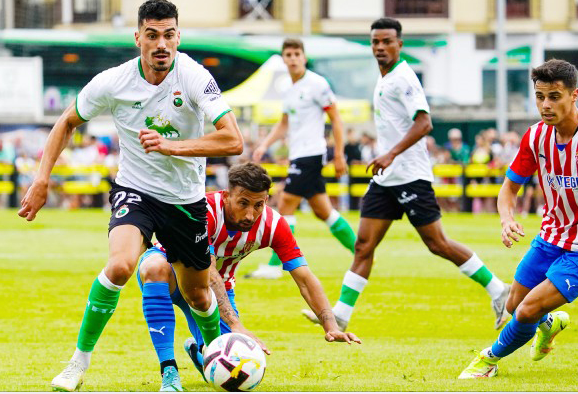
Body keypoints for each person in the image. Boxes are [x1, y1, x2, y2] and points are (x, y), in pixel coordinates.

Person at [18, 1, 244, 391]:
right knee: (121, 265)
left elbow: (233, 139)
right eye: (152, 35)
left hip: (185, 200)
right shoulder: (113, 82)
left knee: (199, 295)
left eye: (169, 35)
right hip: (135, 190)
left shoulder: (193, 76)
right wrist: (41, 179)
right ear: (137, 37)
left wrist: (172, 147)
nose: (161, 44)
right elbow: (66, 122)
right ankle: (77, 363)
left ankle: (213, 351)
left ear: (178, 37)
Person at [303, 17, 510, 332]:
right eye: (375, 42)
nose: (381, 47)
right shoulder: (385, 77)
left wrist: (390, 153)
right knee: (363, 246)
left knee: (437, 243)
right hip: (386, 179)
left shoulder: (404, 78)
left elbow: (424, 123)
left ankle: (499, 290)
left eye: (387, 41)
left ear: (400, 44)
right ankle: (341, 315)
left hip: (410, 176)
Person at [459, 59, 578, 379]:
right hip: (552, 236)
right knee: (513, 305)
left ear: (573, 94)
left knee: (526, 311)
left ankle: (487, 360)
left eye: (554, 96)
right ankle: (550, 324)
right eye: (540, 97)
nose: (545, 105)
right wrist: (506, 219)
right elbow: (508, 189)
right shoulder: (536, 136)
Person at [137, 163, 361, 391]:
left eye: (258, 205)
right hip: (175, 272)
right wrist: (236, 324)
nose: (250, 214)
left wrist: (330, 325)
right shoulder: (203, 210)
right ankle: (169, 370)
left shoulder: (273, 224)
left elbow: (304, 277)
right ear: (226, 197)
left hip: (219, 290)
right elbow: (209, 271)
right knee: (155, 267)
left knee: (232, 377)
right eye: (243, 203)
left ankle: (202, 351)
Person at [247, 38, 356, 279]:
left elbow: (336, 119)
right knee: (323, 211)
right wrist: (265, 143)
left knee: (285, 204)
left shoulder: (317, 84)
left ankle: (276, 266)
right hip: (300, 154)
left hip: (310, 154)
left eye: (297, 54)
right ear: (284, 59)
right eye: (289, 54)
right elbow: (284, 123)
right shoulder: (288, 87)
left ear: (304, 57)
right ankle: (361, 251)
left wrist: (339, 154)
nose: (293, 58)